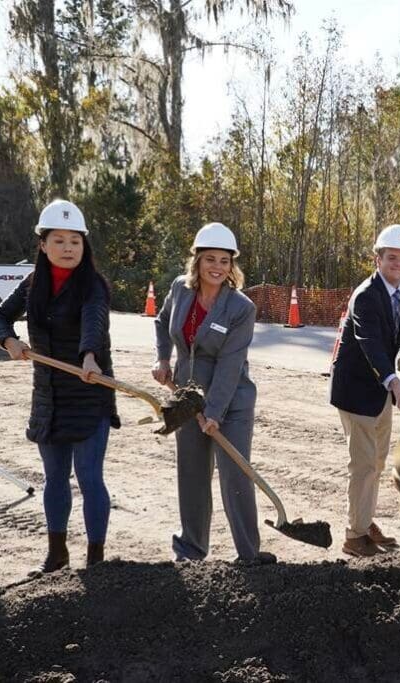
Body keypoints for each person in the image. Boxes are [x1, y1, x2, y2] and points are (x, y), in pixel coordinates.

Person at [0, 199, 120, 572]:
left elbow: (94, 322)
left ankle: (95, 559)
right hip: (49, 394)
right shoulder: (33, 284)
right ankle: (57, 555)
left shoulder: (93, 285)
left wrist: (90, 356)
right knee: (54, 478)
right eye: (59, 241)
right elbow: (0, 317)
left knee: (90, 477)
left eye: (75, 241)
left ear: (85, 245)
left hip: (88, 388)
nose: (68, 248)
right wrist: (9, 341)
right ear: (43, 245)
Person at [152, 222, 274, 564]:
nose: (217, 267)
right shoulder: (180, 290)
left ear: (231, 265)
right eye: (210, 259)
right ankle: (191, 549)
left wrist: (215, 413)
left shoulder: (241, 308)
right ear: (197, 260)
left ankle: (248, 554)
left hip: (230, 403)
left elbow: (230, 366)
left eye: (224, 260)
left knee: (235, 475)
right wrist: (163, 358)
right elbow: (162, 322)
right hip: (186, 399)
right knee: (191, 474)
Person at [330, 224, 400, 557]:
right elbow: (368, 343)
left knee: (377, 463)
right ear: (377, 258)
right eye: (391, 257)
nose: (398, 264)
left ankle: (365, 522)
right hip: (356, 389)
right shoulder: (365, 295)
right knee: (364, 465)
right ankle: (354, 537)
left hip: (381, 389)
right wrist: (391, 379)